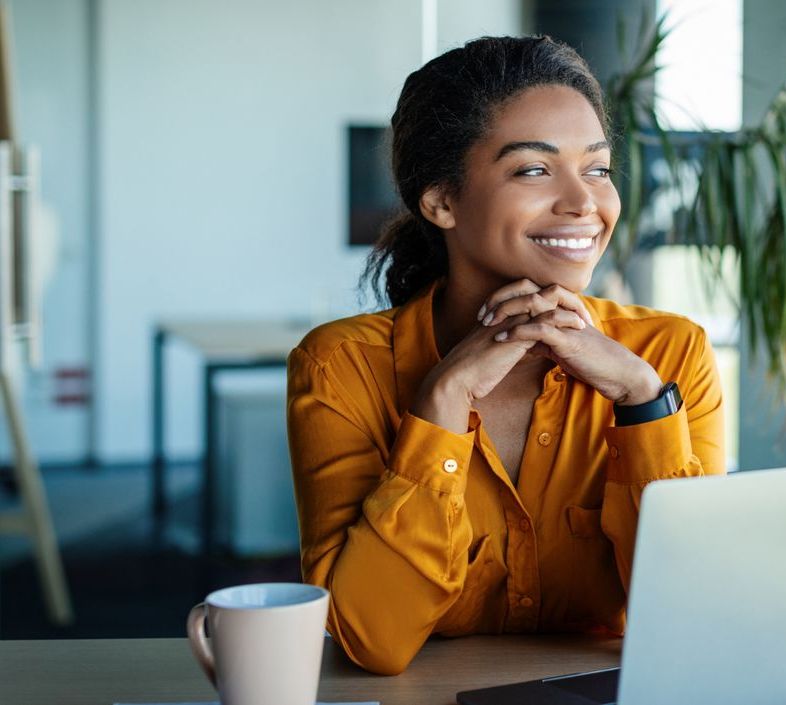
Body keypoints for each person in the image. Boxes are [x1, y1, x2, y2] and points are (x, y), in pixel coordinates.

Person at [285, 35, 725, 676]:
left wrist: (643, 403)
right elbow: (371, 639)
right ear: (440, 201)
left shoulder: (666, 356)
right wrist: (440, 405)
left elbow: (698, 616)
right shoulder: (339, 368)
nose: (585, 204)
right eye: (534, 170)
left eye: (597, 169)